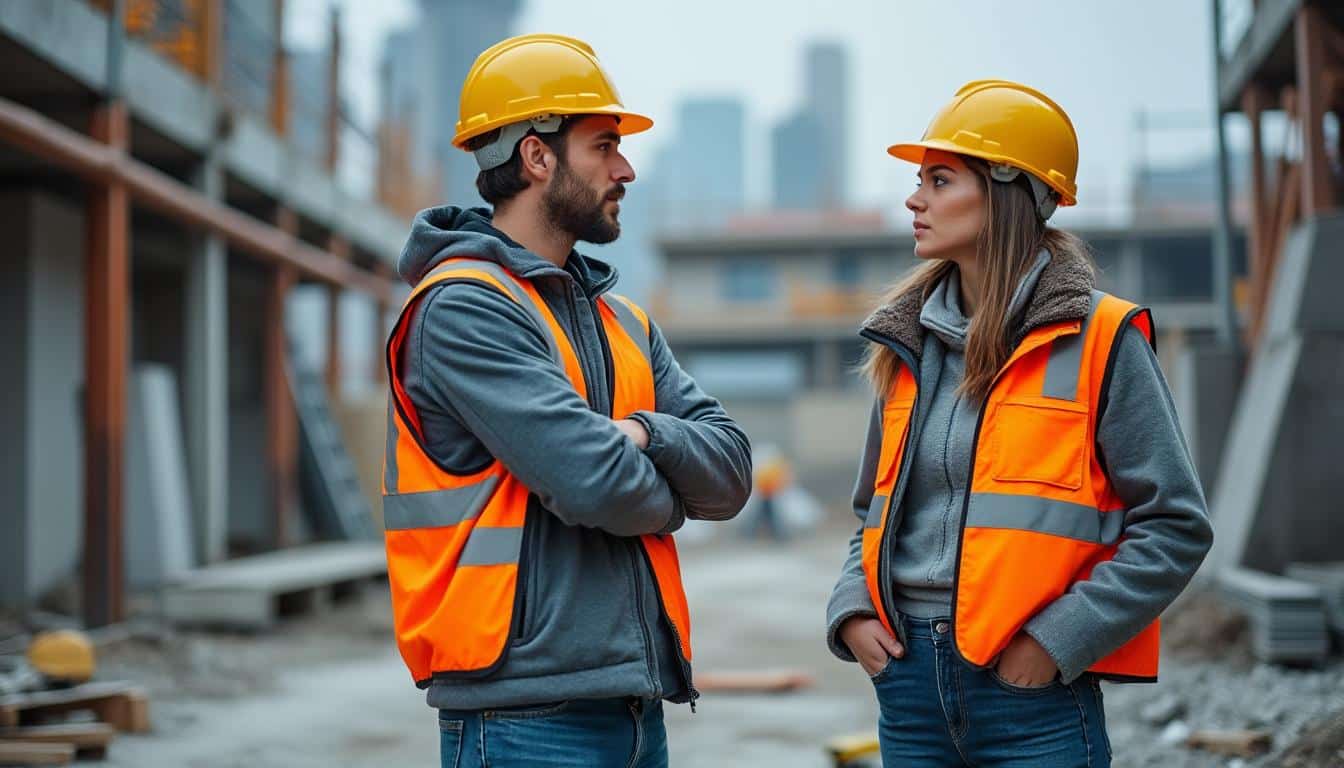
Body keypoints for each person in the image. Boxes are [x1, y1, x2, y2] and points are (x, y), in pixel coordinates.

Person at [381, 33, 752, 768]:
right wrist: (669, 494)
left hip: (634, 708)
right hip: (522, 715)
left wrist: (645, 435)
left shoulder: (622, 321)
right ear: (536, 156)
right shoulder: (464, 308)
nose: (626, 168)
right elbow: (597, 483)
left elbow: (733, 470)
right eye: (604, 145)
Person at [824, 80, 1213, 767]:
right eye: (919, 181)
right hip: (908, 688)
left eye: (940, 180)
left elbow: (1175, 526)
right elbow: (872, 512)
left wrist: (1057, 641)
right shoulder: (903, 344)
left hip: (1031, 695)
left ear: (1008, 192)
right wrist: (852, 610)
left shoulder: (1101, 338)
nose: (915, 199)